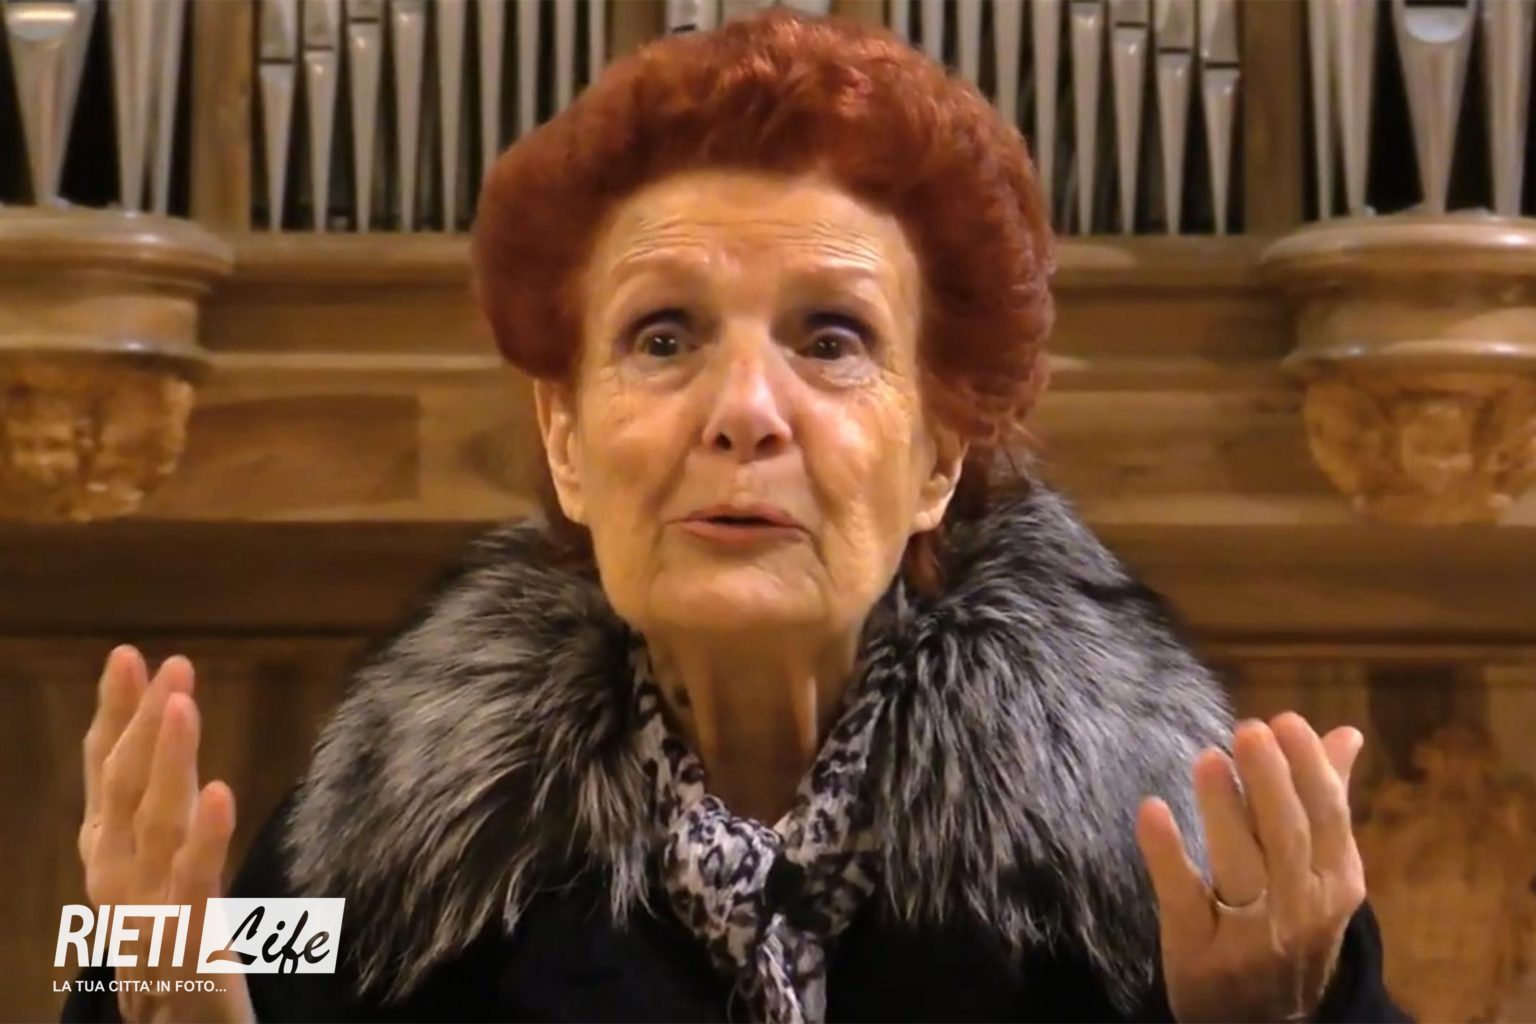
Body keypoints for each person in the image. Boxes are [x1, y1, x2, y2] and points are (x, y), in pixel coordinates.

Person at [62, 8, 1412, 1023]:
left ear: (938, 458)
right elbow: (135, 967)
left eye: (831, 340)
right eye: (663, 338)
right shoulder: (374, 845)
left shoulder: (1180, 870)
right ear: (566, 444)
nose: (745, 411)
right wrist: (144, 986)